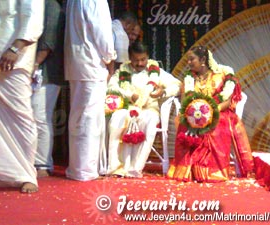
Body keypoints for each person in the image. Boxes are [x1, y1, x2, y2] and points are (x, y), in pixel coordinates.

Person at [167, 46, 254, 182]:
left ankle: (211, 172)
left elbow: (228, 98)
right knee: (184, 124)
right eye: (188, 60)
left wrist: (212, 110)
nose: (188, 63)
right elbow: (185, 99)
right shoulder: (189, 78)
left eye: (191, 59)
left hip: (219, 111)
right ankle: (190, 171)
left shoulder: (222, 75)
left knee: (216, 126)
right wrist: (194, 112)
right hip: (194, 113)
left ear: (202, 60)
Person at [0, 0, 44, 193]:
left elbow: (33, 18)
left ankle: (27, 174)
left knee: (20, 117)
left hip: (14, 59)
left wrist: (15, 48)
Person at [107, 41, 181, 178]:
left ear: (148, 57)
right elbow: (111, 87)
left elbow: (177, 85)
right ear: (130, 58)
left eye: (143, 60)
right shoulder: (123, 71)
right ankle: (116, 167)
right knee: (117, 118)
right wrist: (129, 95)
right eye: (136, 60)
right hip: (128, 109)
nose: (140, 63)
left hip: (149, 110)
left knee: (149, 120)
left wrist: (162, 92)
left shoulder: (155, 71)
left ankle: (134, 168)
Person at [64, 0, 116, 181]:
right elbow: (101, 32)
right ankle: (85, 170)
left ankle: (77, 167)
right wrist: (110, 57)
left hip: (76, 63)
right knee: (90, 119)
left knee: (78, 117)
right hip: (92, 64)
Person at [31, 0, 65, 178]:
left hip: (47, 72)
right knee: (36, 117)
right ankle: (35, 162)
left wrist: (34, 64)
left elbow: (48, 43)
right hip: (39, 70)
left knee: (41, 116)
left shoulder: (51, 6)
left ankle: (43, 164)